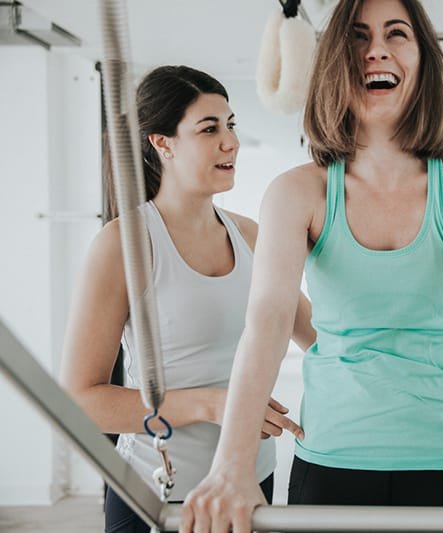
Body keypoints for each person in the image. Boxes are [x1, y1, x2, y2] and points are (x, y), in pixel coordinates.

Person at [182, 1, 443, 532]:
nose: (376, 49)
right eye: (357, 36)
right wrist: (230, 468)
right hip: (330, 462)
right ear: (333, 62)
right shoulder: (297, 192)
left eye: (397, 34)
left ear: (422, 60)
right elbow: (267, 324)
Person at [59, 65, 315, 533]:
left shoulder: (252, 236)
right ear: (163, 143)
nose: (230, 141)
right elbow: (82, 399)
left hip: (251, 483)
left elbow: (317, 337)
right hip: (154, 494)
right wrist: (218, 405)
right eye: (209, 128)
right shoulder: (124, 245)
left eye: (231, 124)